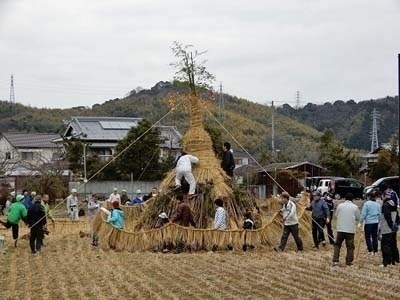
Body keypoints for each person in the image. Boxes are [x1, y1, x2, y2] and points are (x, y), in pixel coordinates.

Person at [332, 193, 360, 266]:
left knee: (337, 244)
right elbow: (358, 218)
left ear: (345, 199)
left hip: (340, 229)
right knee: (350, 246)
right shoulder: (355, 207)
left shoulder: (340, 206)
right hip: (350, 230)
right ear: (352, 199)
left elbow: (336, 215)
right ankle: (348, 261)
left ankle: (335, 260)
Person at [379, 191, 399, 267]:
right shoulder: (393, 204)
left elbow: (387, 216)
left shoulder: (385, 205)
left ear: (384, 196)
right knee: (393, 244)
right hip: (393, 229)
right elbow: (397, 216)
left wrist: (391, 225)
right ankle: (395, 260)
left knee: (385, 245)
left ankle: (387, 262)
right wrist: (396, 225)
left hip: (387, 229)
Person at [358, 191, 381, 255]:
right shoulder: (377, 204)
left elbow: (363, 214)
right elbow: (379, 214)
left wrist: (360, 222)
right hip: (375, 222)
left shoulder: (367, 204)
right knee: (375, 237)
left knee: (368, 237)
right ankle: (375, 251)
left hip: (368, 223)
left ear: (369, 197)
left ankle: (370, 250)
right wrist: (379, 221)